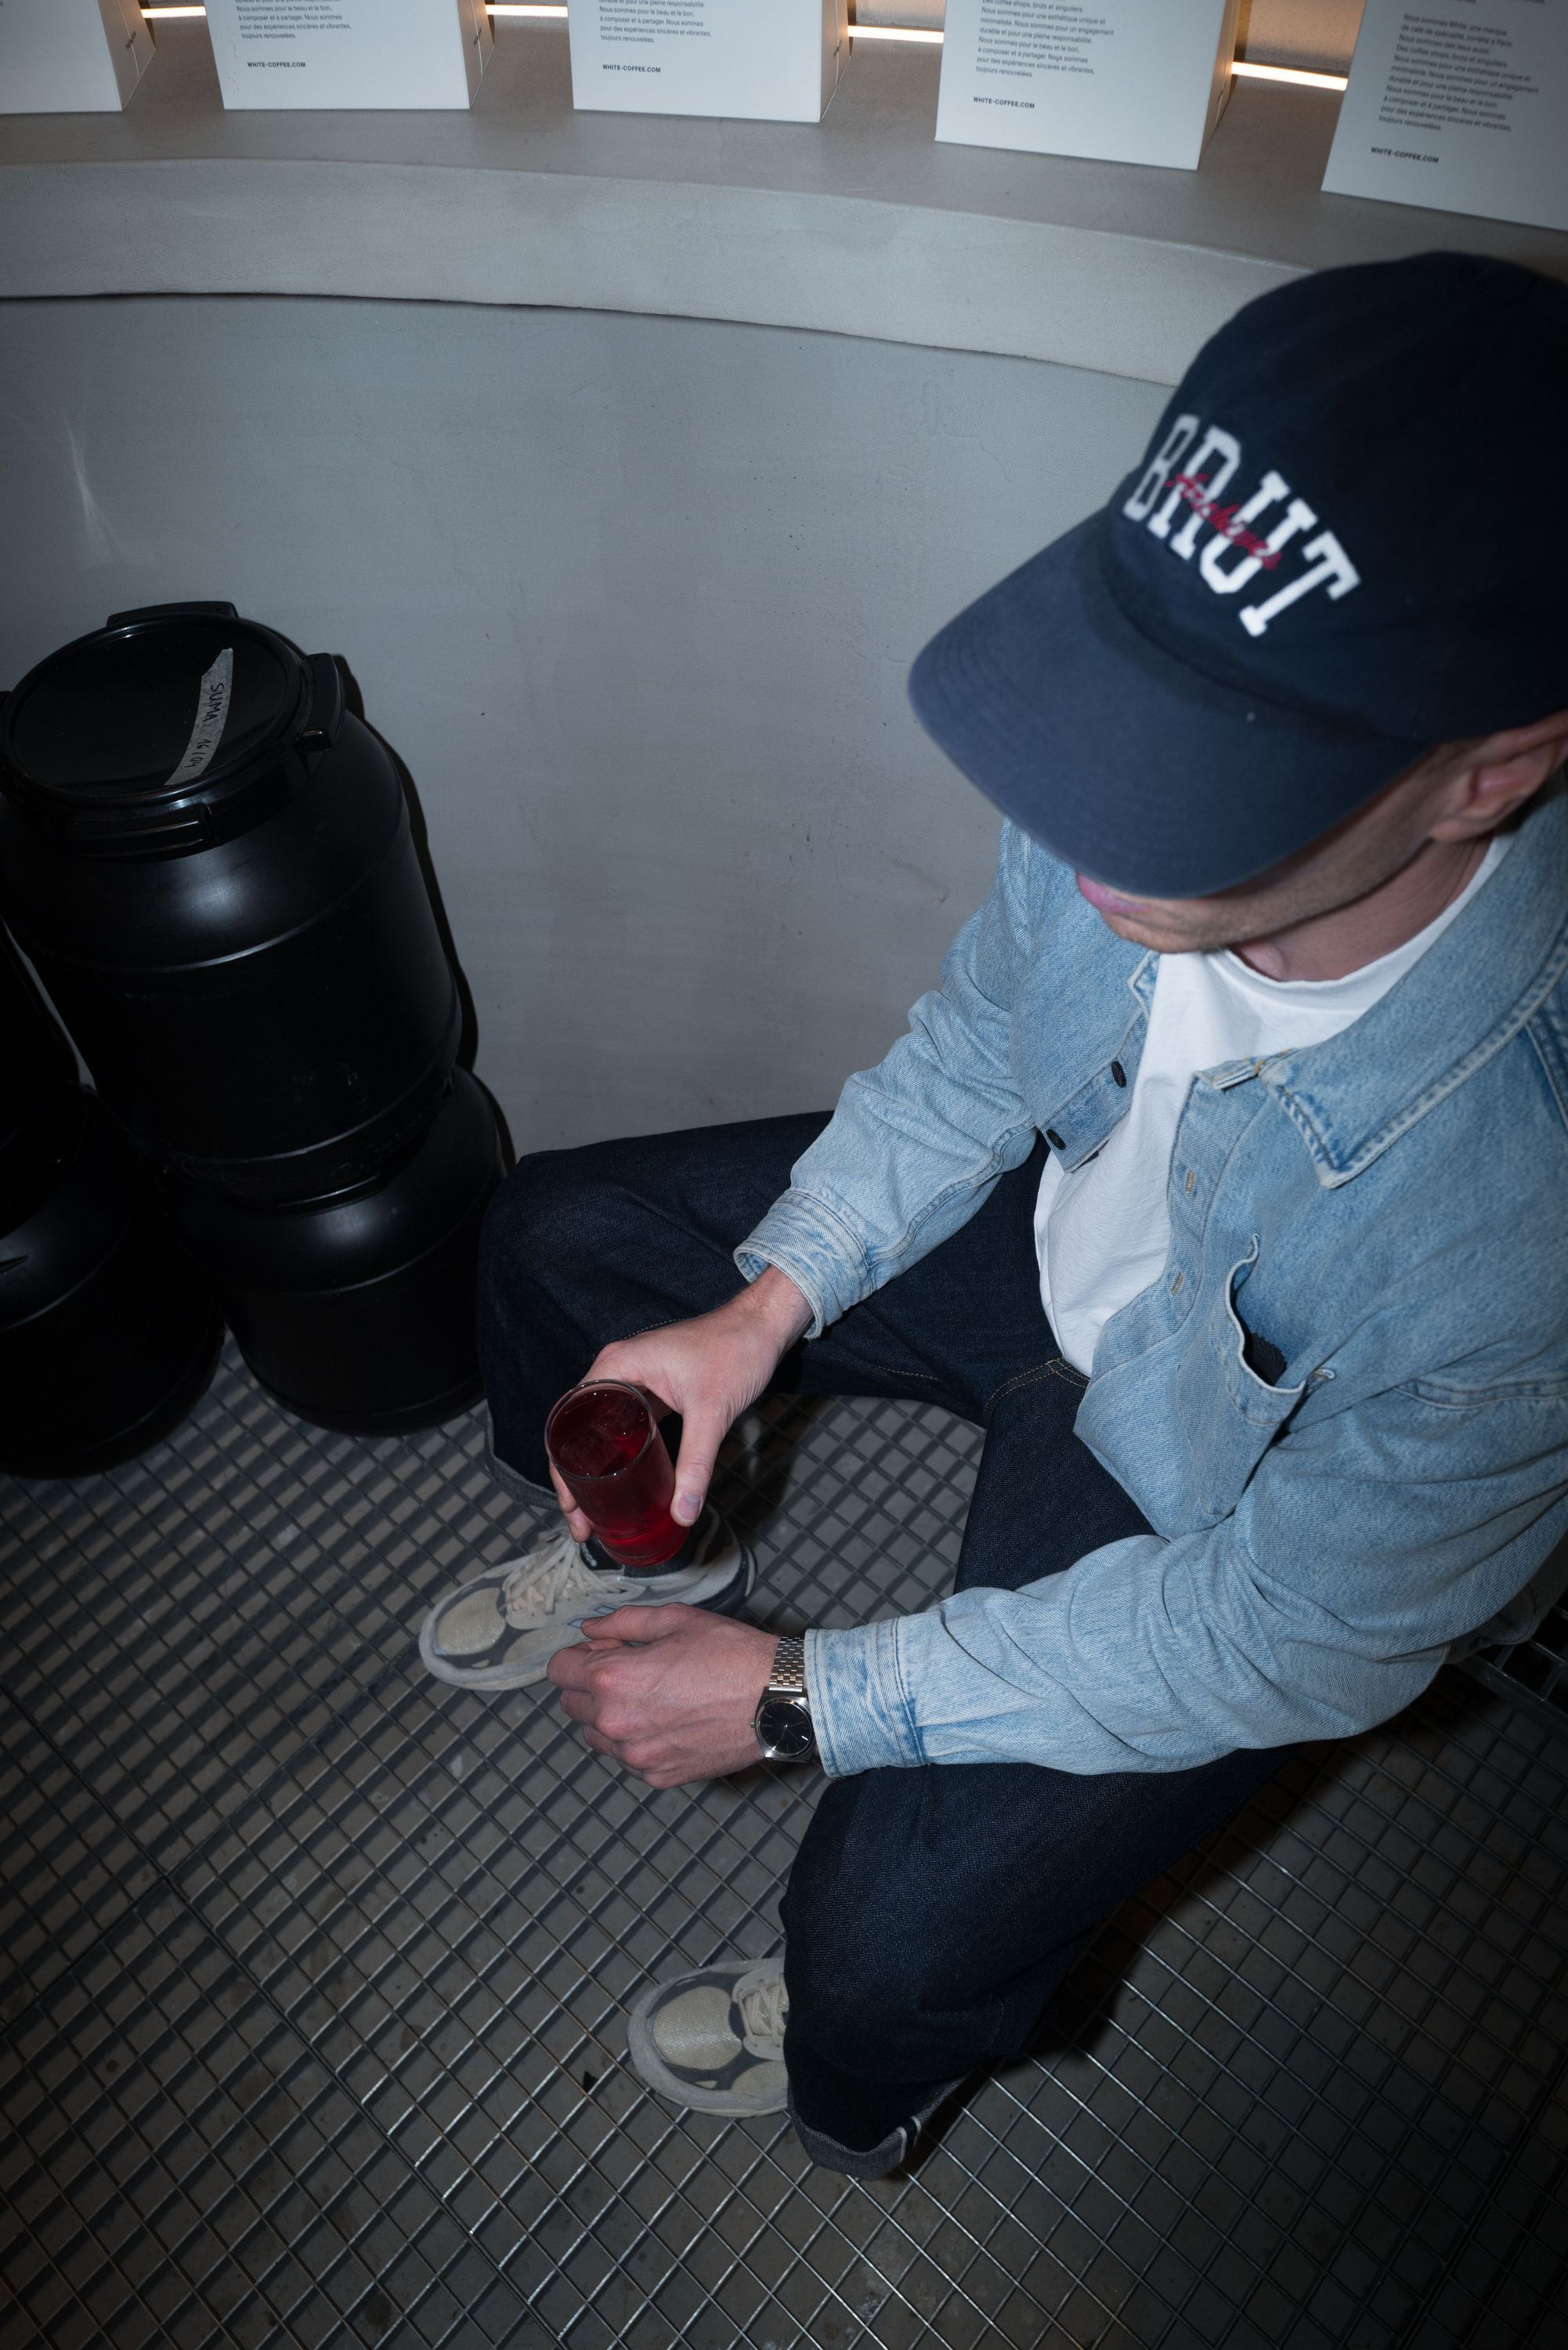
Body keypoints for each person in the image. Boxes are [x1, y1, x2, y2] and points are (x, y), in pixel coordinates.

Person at [417, 252, 1568, 2180]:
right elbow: (978, 1043)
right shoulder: (1123, 814)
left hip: (1211, 1492)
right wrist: (768, 1306)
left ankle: (871, 2071)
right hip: (1054, 1239)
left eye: (1208, 772)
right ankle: (659, 1540)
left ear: (1492, 772)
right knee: (555, 1237)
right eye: (1125, 700)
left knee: (885, 1945)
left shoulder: (1521, 1215)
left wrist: (805, 1699)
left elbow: (1295, 1635)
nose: (1089, 817)